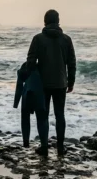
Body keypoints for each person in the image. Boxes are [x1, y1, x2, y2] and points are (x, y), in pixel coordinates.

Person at [27, 9, 76, 157]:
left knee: (43, 116)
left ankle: (44, 148)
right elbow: (72, 63)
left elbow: (30, 61)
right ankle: (60, 148)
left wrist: (32, 77)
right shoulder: (66, 39)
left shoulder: (38, 39)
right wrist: (71, 81)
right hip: (61, 83)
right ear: (58, 21)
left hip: (43, 84)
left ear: (45, 21)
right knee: (60, 115)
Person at [13, 62, 46, 149]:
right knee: (41, 119)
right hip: (39, 95)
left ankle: (26, 142)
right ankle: (44, 144)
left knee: (25, 118)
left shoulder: (24, 67)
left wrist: (16, 103)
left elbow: (19, 86)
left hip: (27, 94)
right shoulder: (41, 67)